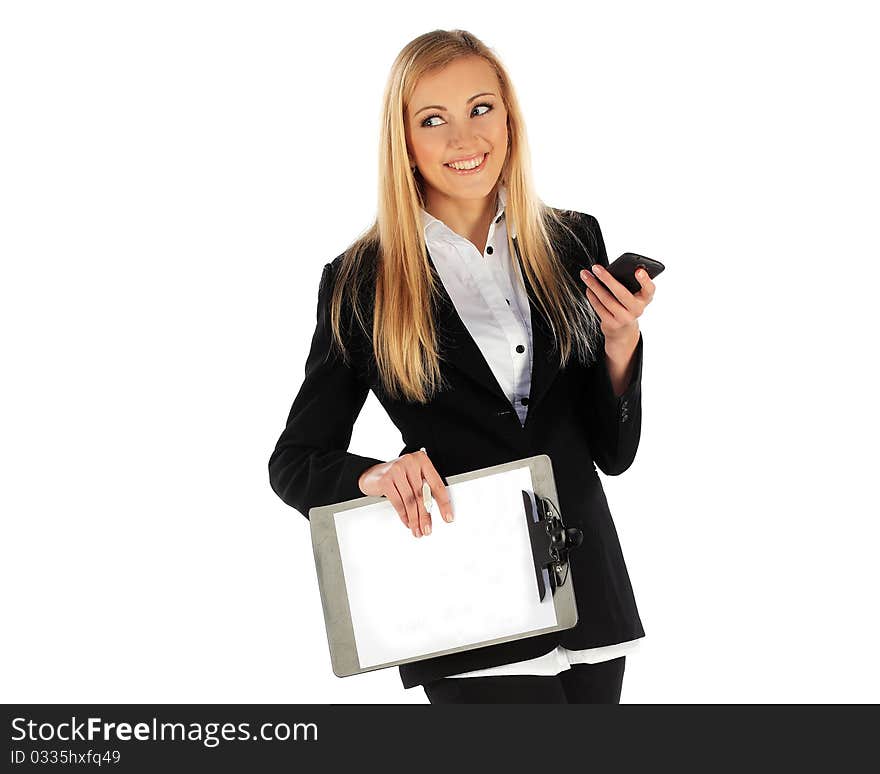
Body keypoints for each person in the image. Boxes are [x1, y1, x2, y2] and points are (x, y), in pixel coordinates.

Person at [268, 29, 657, 704]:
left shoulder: (572, 240)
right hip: (469, 611)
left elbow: (612, 453)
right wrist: (375, 475)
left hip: (591, 597)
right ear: (405, 140)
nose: (463, 139)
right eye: (432, 119)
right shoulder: (363, 280)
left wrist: (620, 344)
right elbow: (294, 460)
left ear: (509, 116)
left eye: (480, 108)